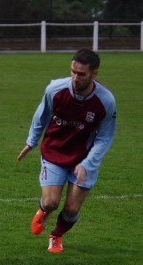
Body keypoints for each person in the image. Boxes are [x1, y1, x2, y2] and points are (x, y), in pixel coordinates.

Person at [17, 48, 116, 253]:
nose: (75, 78)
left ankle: (56, 235)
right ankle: (44, 209)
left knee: (71, 208)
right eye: (73, 71)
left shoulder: (106, 101)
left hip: (84, 158)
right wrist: (31, 141)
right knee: (51, 202)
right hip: (54, 151)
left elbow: (105, 137)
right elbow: (41, 115)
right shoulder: (55, 89)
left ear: (94, 74)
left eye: (81, 74)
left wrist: (87, 164)